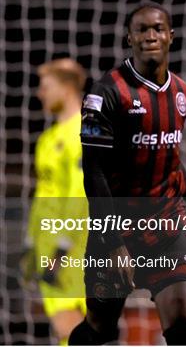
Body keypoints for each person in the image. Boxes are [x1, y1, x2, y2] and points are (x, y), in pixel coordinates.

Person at [68, 2, 186, 345]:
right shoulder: (106, 93)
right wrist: (113, 241)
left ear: (171, 36)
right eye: (142, 30)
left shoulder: (182, 92)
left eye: (158, 28)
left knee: (183, 327)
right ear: (129, 37)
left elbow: (169, 158)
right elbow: (94, 173)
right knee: (100, 329)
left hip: (170, 226)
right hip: (117, 228)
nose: (150, 36)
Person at [22, 58, 88, 345]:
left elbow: (81, 194)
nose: (40, 93)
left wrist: (61, 249)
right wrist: (30, 244)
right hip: (47, 244)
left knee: (72, 328)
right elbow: (43, 195)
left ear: (66, 88)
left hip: (73, 247)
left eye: (45, 86)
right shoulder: (47, 140)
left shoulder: (87, 132)